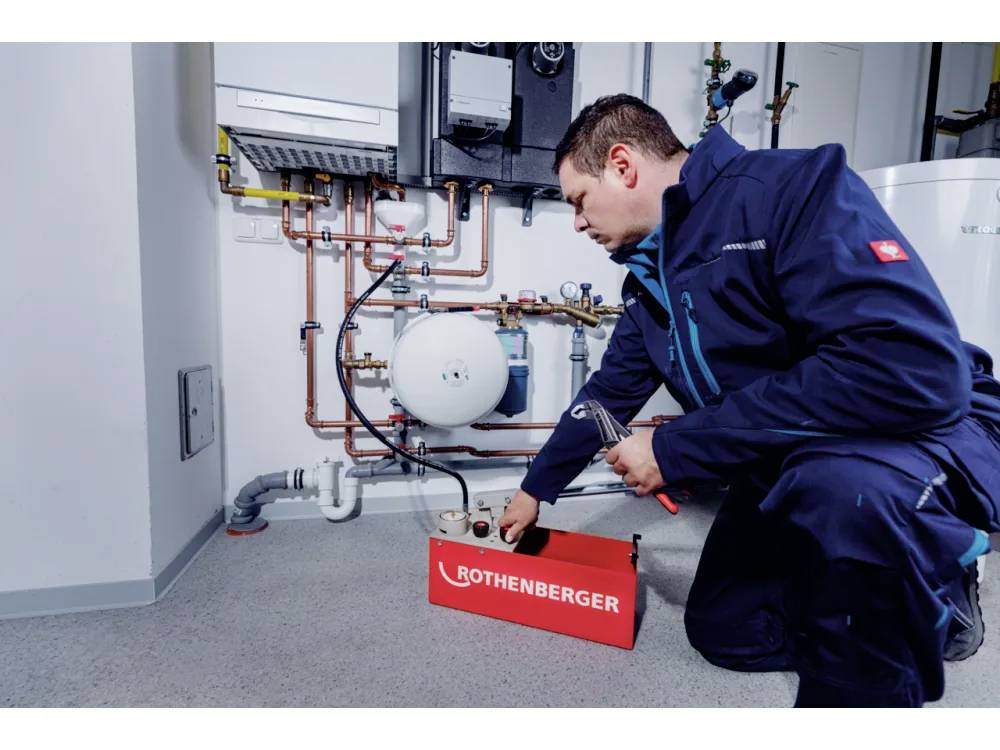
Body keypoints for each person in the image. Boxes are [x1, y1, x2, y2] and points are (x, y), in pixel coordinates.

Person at [497, 93, 1000, 707]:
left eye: (579, 199)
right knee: (725, 629)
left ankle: (930, 585)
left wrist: (674, 448)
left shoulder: (787, 189)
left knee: (847, 500)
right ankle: (850, 594)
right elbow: (607, 394)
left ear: (622, 165)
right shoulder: (649, 282)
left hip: (916, 434)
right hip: (789, 452)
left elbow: (906, 366)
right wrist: (535, 489)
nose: (577, 222)